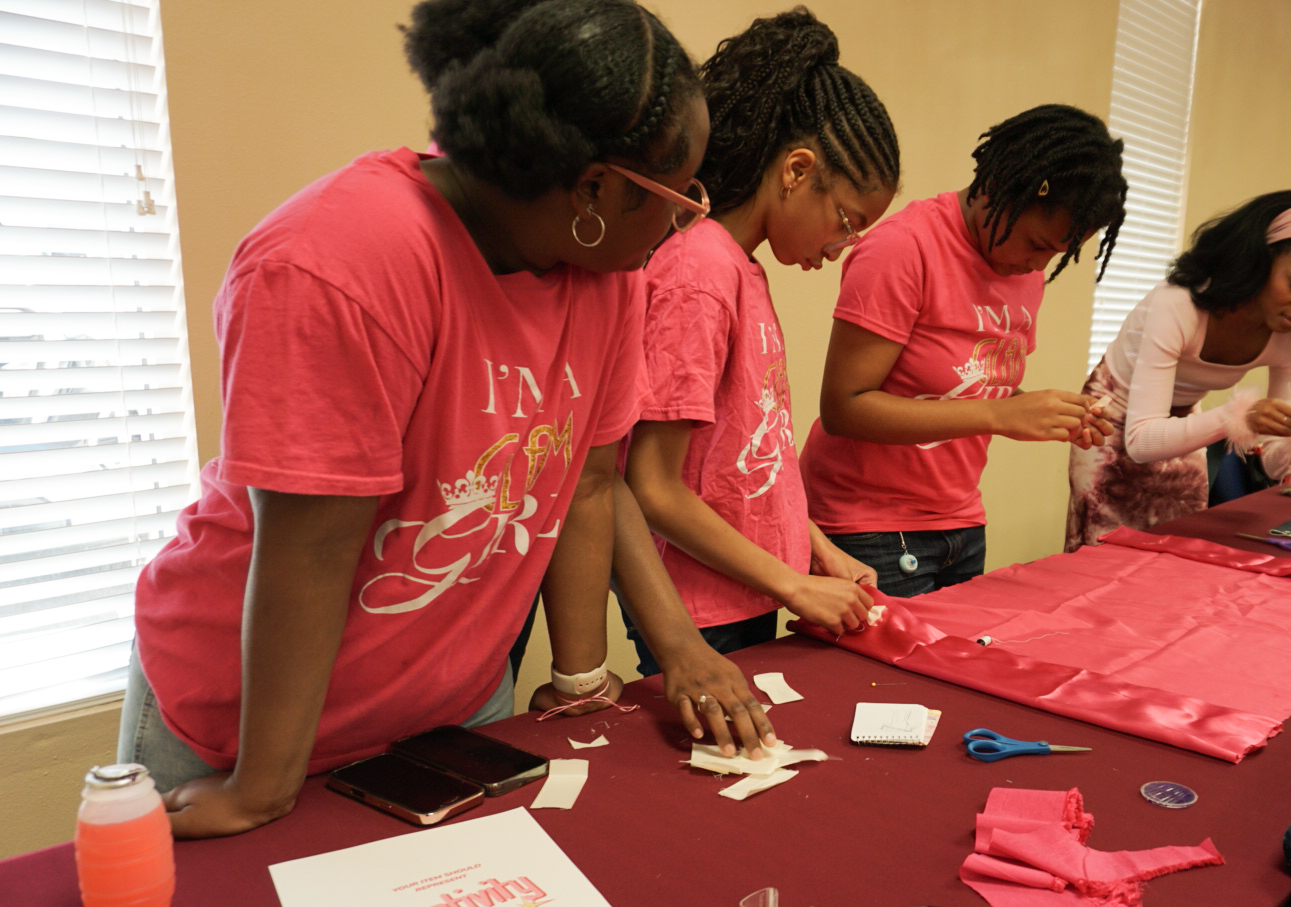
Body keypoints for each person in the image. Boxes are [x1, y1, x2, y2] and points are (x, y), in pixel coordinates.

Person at [120, 0, 773, 841]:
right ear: (593, 189)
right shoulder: (339, 261)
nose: (686, 217)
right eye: (676, 194)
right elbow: (313, 549)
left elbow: (589, 487)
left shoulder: (607, 277)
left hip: (445, 715)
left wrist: (663, 653)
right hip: (253, 730)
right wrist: (261, 788)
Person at [621, 8, 899, 673]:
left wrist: (819, 552)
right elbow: (653, 487)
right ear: (797, 171)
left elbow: (741, 466)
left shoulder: (742, 270)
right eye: (844, 222)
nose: (837, 250)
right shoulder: (701, 270)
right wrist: (796, 586)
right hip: (696, 612)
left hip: (745, 592)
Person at [800, 104, 1125, 597]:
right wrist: (999, 414)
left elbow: (972, 383)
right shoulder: (903, 248)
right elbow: (845, 407)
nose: (1037, 264)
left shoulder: (1026, 271)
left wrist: (1042, 413)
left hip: (960, 521)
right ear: (996, 190)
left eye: (1057, 253)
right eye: (1036, 243)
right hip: (868, 527)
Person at [1064, 190, 1291, 549]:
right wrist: (1240, 418)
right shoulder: (1179, 304)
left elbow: (1272, 465)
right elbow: (1141, 442)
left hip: (1180, 421)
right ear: (1260, 260)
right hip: (1110, 418)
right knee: (1102, 557)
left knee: (1177, 549)